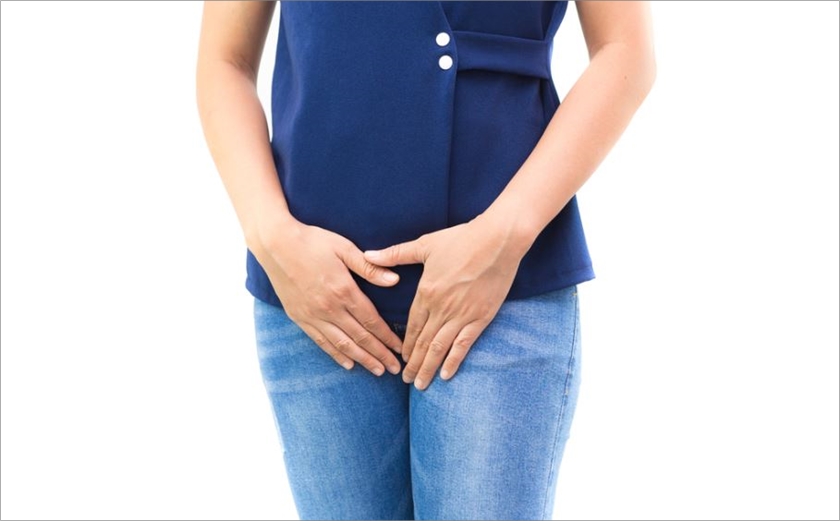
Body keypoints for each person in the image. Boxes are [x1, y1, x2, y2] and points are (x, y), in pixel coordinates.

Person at [196, 1, 655, 519]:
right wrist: (271, 235)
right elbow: (225, 60)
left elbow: (626, 49)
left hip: (500, 293)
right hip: (313, 292)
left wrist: (504, 235)